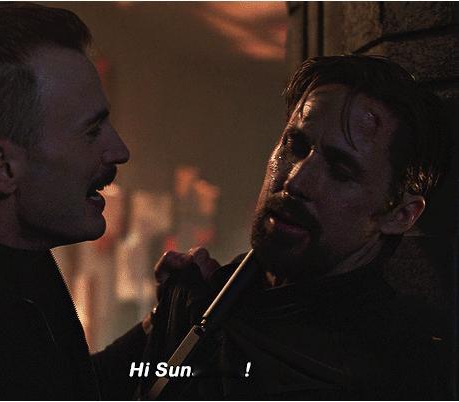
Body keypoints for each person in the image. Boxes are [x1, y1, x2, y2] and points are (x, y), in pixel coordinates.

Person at [140, 55, 453, 400]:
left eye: (341, 171)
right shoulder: (207, 298)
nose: (296, 181)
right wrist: (164, 317)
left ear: (401, 214)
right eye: (295, 147)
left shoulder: (397, 372)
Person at [0, 3, 146, 399]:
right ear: (2, 167)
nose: (119, 151)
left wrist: (165, 325)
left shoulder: (5, 262)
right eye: (91, 131)